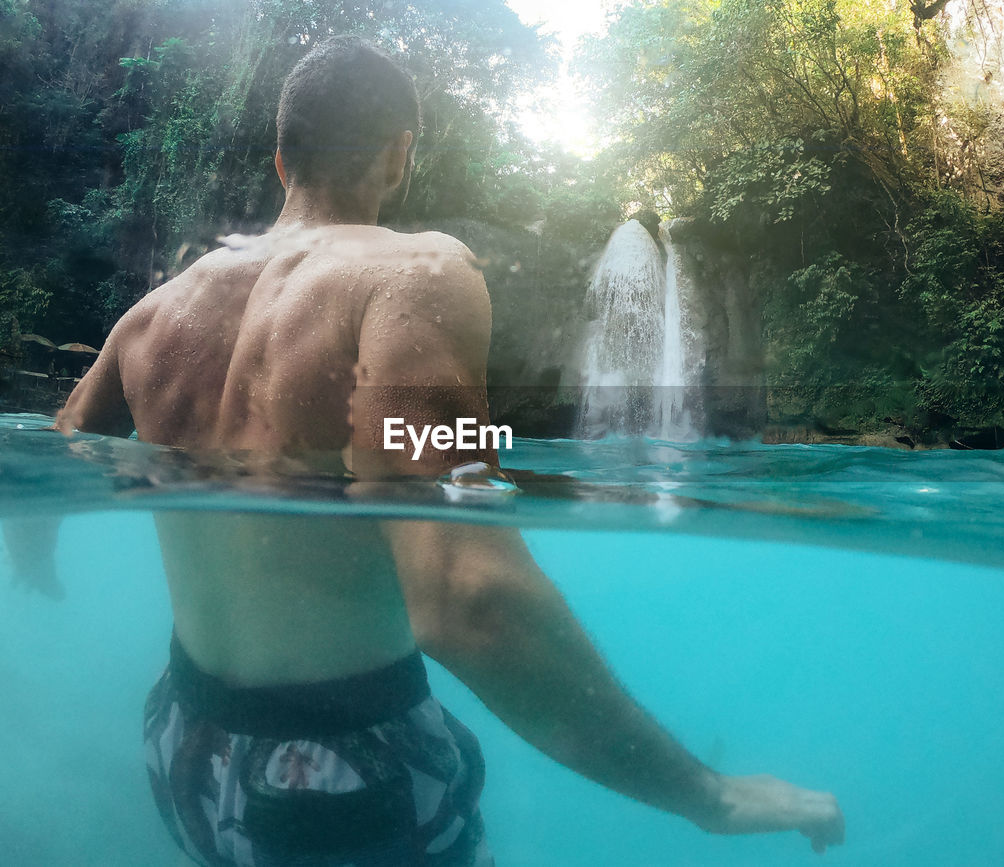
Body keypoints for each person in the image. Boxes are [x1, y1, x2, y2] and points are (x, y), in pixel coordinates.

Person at [55, 36, 844, 866]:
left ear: (283, 162)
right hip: (341, 782)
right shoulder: (410, 275)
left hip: (186, 742)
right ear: (399, 155)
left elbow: (63, 448)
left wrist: (35, 563)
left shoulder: (151, 317)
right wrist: (706, 795)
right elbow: (469, 599)